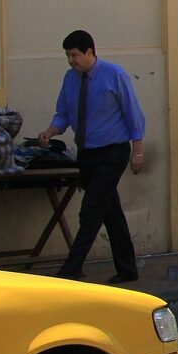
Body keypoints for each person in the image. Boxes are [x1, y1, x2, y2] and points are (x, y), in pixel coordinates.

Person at [38, 30, 145, 283]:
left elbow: (134, 114)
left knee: (91, 210)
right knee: (110, 212)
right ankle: (127, 269)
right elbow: (63, 113)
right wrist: (49, 132)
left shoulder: (114, 75)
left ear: (89, 52)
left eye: (74, 55)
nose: (71, 61)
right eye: (67, 55)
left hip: (112, 152)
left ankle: (71, 267)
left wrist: (137, 151)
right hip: (87, 153)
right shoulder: (70, 79)